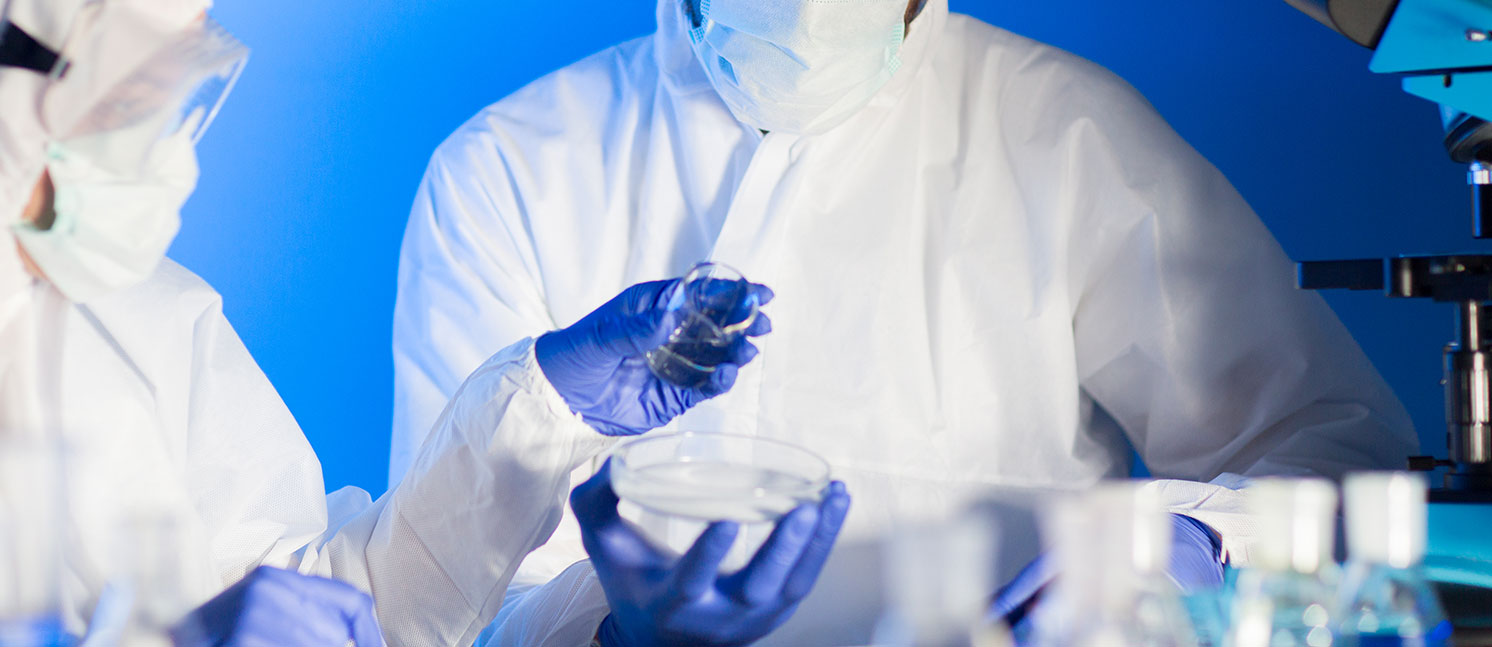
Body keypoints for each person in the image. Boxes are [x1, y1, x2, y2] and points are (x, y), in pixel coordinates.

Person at [389, 0, 1420, 643]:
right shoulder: (509, 170)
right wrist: (615, 634)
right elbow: (440, 596)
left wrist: (1192, 543)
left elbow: (1334, 450)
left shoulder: (1063, 133)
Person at [0, 1, 848, 646]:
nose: (165, 148)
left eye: (180, 87)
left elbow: (329, 611)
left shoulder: (147, 318)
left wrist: (541, 407)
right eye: (129, 93)